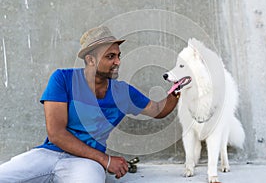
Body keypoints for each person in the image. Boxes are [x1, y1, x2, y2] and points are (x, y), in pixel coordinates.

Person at [0, 26, 183, 183]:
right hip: (48, 154)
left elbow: (158, 110)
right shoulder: (63, 79)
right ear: (91, 60)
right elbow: (56, 134)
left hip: (86, 164)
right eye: (110, 56)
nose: (118, 62)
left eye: (118, 56)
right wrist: (107, 160)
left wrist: (177, 88)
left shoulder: (122, 92)